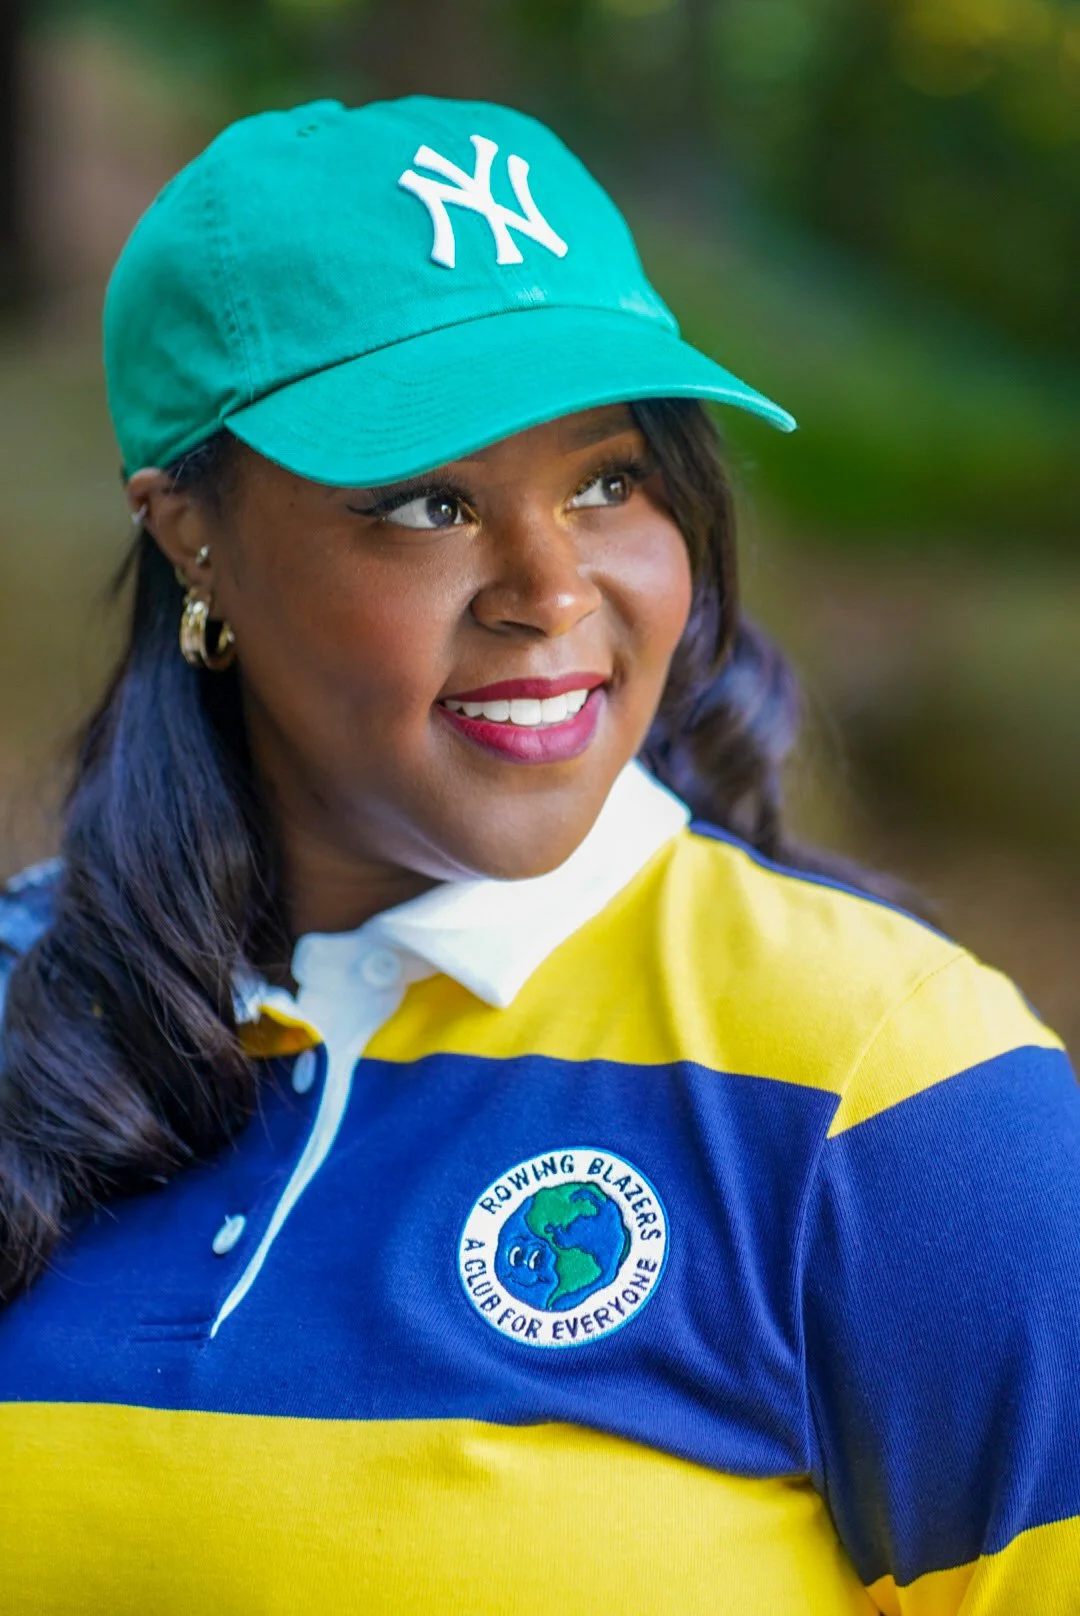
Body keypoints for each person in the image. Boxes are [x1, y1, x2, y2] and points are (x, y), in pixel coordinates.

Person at [0, 95, 1077, 1616]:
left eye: (608, 482)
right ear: (191, 536)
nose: (552, 591)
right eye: (430, 503)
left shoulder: (894, 1094)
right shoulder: (22, 1007)